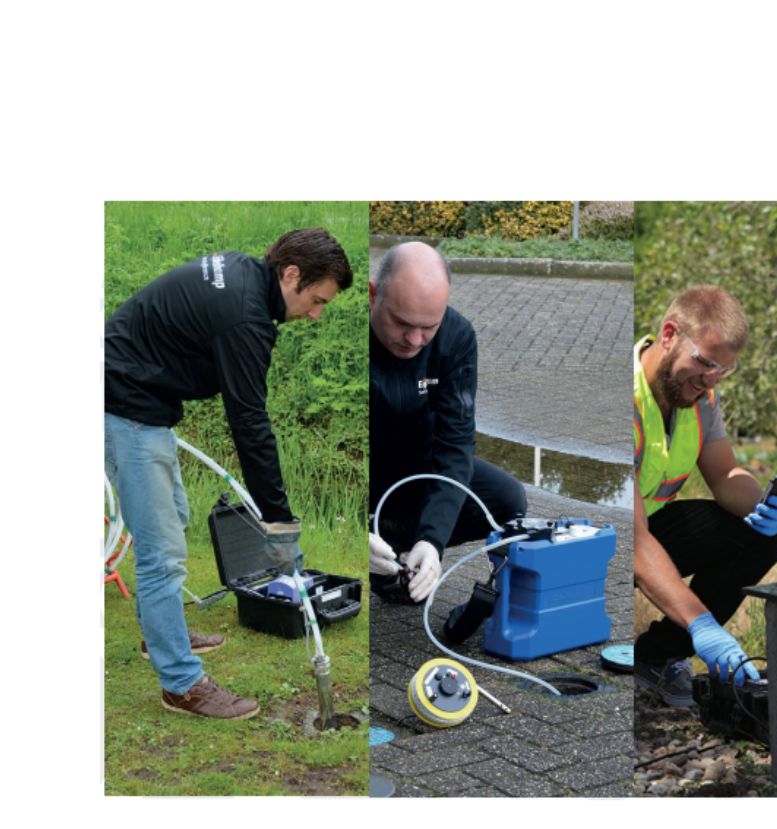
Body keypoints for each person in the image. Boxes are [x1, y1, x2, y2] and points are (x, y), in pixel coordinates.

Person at [105, 228, 353, 719]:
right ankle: (181, 683)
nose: (316, 313)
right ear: (291, 274)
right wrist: (279, 522)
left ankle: (162, 634)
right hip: (125, 405)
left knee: (173, 515)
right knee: (163, 552)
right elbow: (250, 425)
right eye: (318, 300)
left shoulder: (243, 273)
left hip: (137, 394)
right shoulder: (245, 315)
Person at [633, 285, 777, 706]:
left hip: (647, 528)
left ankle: (656, 659)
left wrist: (762, 505)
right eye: (704, 363)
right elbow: (631, 537)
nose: (711, 379)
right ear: (669, 335)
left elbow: (725, 476)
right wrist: (702, 624)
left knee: (760, 535)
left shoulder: (700, 397)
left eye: (723, 370)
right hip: (609, 539)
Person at [368, 241, 526, 603]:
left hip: (417, 468)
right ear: (373, 295)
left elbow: (455, 446)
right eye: (402, 323)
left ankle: (403, 557)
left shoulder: (457, 338)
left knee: (507, 498)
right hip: (363, 473)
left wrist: (432, 539)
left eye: (428, 327)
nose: (414, 340)